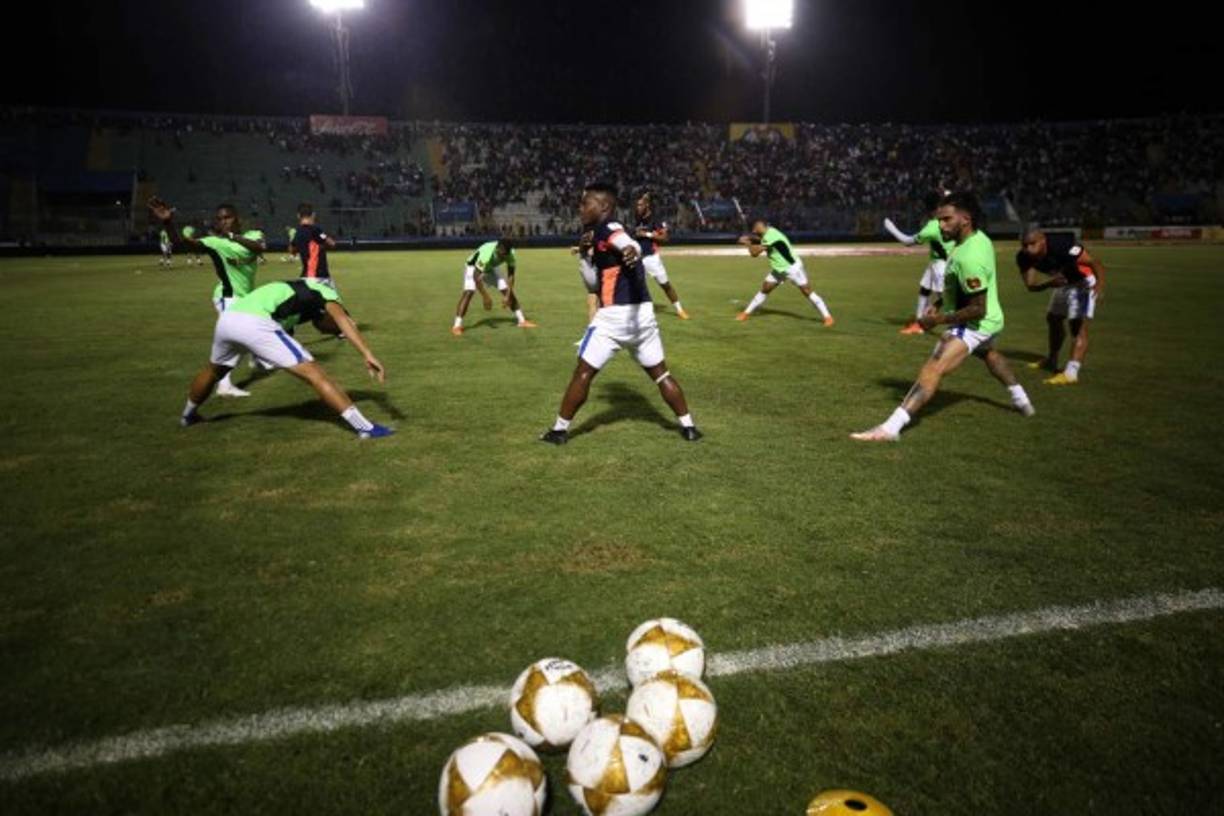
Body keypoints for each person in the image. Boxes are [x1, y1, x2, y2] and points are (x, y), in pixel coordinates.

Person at [851, 192, 1034, 442]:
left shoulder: (969, 256)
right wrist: (938, 304)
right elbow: (962, 290)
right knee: (989, 354)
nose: (941, 225)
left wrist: (936, 321)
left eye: (947, 219)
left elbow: (976, 308)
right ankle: (1022, 400)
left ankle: (890, 429)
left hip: (975, 323)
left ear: (965, 219)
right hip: (992, 319)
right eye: (939, 220)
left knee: (933, 367)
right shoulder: (979, 239)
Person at [540, 183, 701, 445]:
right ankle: (689, 427)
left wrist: (631, 251)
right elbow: (595, 281)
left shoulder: (610, 228)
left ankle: (559, 431)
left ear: (604, 206)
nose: (580, 208)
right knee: (660, 373)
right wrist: (584, 253)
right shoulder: (596, 233)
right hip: (643, 315)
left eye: (585, 203)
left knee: (583, 373)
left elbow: (627, 244)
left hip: (614, 316)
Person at [179, 278, 393, 439]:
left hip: (228, 320)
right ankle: (365, 428)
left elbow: (319, 324)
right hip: (255, 322)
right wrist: (367, 353)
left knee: (214, 370)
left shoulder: (299, 291)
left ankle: (188, 416)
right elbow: (341, 321)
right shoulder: (327, 293)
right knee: (316, 375)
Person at [148, 197, 267, 398]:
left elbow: (259, 247)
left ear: (236, 218)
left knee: (253, 328)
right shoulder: (214, 243)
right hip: (226, 296)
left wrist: (231, 236)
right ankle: (225, 384)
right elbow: (180, 243)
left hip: (245, 297)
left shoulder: (252, 235)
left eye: (227, 218)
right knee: (236, 338)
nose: (223, 222)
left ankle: (255, 358)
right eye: (219, 219)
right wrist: (168, 221)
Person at [1016, 227, 1107, 385]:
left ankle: (1071, 373)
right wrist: (1050, 283)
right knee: (1053, 319)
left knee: (1077, 327)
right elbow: (1031, 286)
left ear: (1043, 240)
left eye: (1032, 244)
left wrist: (1099, 285)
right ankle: (1052, 359)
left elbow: (1094, 262)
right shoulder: (1023, 257)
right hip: (1063, 282)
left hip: (1083, 282)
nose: (1028, 249)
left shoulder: (1062, 246)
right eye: (1024, 245)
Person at [735, 219, 834, 325]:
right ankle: (745, 314)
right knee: (765, 289)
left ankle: (828, 317)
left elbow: (754, 253)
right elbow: (759, 239)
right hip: (779, 269)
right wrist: (749, 238)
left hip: (792, 268)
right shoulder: (769, 231)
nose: (753, 229)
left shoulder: (771, 237)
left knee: (807, 291)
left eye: (755, 227)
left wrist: (748, 243)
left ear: (760, 226)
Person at [883, 190, 955, 334]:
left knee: (946, 299)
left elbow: (907, 241)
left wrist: (891, 228)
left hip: (941, 264)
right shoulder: (948, 219)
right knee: (924, 289)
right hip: (938, 260)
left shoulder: (932, 227)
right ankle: (918, 322)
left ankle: (956, 329)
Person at [451, 239, 537, 335]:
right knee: (469, 291)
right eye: (501, 255)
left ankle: (522, 321)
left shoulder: (510, 254)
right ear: (497, 249)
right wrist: (485, 297)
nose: (503, 257)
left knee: (506, 289)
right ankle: (457, 326)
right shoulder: (487, 252)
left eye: (505, 255)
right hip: (473, 267)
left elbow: (511, 275)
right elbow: (476, 276)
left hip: (490, 267)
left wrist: (507, 296)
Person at [634, 191, 689, 319]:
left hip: (652, 258)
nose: (638, 208)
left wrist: (647, 234)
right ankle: (637, 312)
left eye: (640, 205)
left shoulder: (656, 219)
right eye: (637, 205)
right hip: (639, 258)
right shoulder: (638, 218)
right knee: (635, 285)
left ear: (647, 205)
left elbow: (665, 238)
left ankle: (680, 310)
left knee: (665, 285)